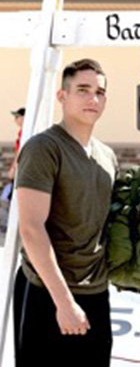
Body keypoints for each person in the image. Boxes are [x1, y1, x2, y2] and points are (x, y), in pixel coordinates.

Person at [13, 59, 117, 367]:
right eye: (83, 90)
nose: (92, 99)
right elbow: (31, 228)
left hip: (94, 293)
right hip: (47, 292)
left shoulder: (106, 156)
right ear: (62, 96)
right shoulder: (43, 148)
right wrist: (64, 303)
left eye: (100, 92)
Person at [7, 107, 25, 182]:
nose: (15, 120)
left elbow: (20, 151)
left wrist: (13, 168)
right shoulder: (21, 132)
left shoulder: (24, 133)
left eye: (17, 117)